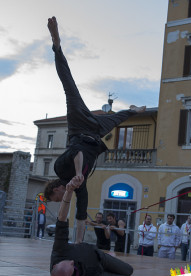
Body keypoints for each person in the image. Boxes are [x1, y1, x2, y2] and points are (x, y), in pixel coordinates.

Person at [44, 16, 146, 243]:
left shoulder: (60, 168)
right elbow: (81, 216)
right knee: (118, 119)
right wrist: (79, 245)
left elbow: (77, 150)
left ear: (55, 189)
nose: (59, 200)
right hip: (97, 131)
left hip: (80, 127)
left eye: (55, 198)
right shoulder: (78, 189)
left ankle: (56, 44)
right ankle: (130, 110)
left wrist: (79, 173)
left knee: (69, 86)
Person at [50, 175, 133, 276]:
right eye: (72, 267)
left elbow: (61, 218)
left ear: (54, 266)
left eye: (69, 261)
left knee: (129, 270)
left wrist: (68, 192)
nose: (72, 262)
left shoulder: (59, 250)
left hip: (99, 257)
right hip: (94, 275)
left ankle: (110, 262)